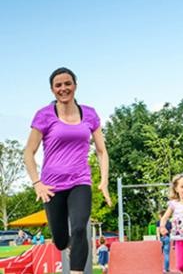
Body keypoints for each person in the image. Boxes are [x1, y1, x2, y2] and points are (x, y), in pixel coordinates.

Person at [23, 67, 113, 273]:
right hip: (51, 186)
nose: (64, 88)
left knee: (80, 228)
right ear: (52, 90)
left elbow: (101, 150)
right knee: (61, 241)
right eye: (58, 85)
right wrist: (37, 183)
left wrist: (104, 180)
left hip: (80, 181)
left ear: (75, 85)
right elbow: (29, 152)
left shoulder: (89, 114)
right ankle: (69, 244)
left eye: (67, 83)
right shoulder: (44, 115)